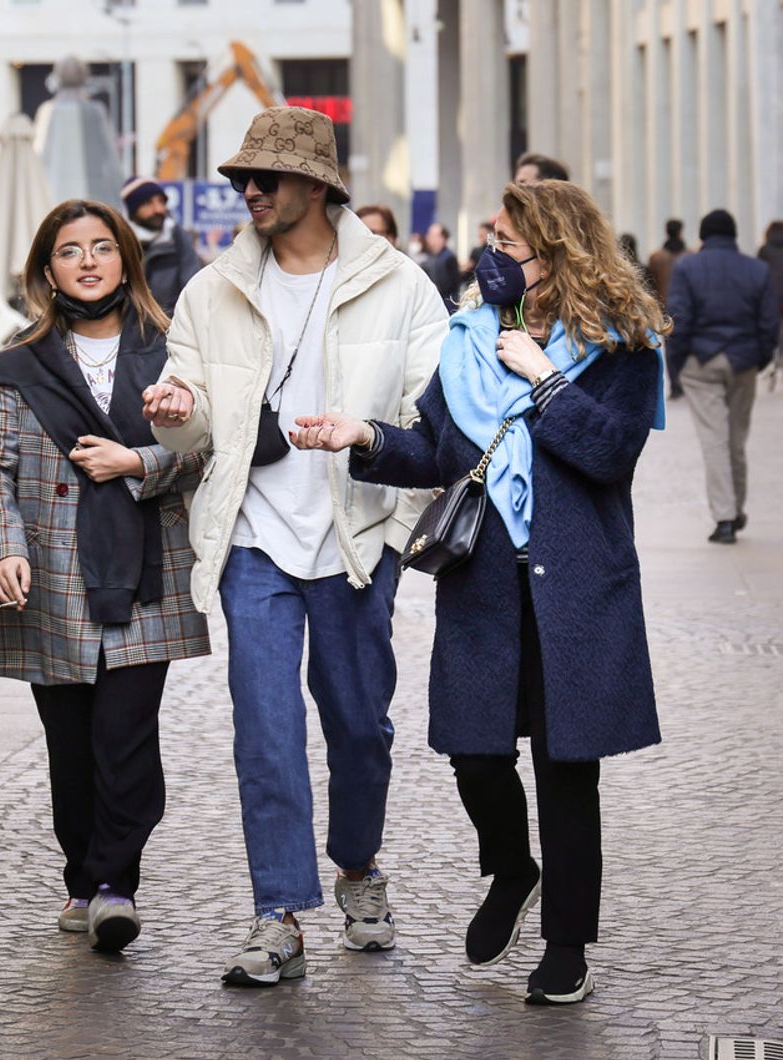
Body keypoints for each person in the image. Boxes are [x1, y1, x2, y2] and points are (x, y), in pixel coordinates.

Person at [291, 178, 666, 1005]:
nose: (488, 256)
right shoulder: (466, 337)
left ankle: (567, 942)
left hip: (577, 583)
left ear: (555, 252)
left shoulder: (624, 343)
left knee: (569, 770)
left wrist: (546, 379)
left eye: (506, 244)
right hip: (485, 581)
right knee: (475, 753)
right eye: (489, 239)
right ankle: (512, 865)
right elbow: (435, 450)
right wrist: (364, 437)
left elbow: (612, 456)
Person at [140, 105, 446, 986]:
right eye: (242, 179)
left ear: (317, 185)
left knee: (360, 726)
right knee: (264, 731)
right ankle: (276, 911)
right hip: (253, 539)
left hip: (355, 536)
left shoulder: (401, 286)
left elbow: (437, 417)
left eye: (263, 179)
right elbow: (189, 417)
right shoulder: (213, 289)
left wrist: (396, 521)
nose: (248, 192)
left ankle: (358, 866)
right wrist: (175, 412)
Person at [0, 198, 208, 954]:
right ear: (48, 269)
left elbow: (209, 448)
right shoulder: (20, 361)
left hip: (147, 573)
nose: (90, 261)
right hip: (51, 577)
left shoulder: (173, 350)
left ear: (126, 260)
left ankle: (114, 886)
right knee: (70, 747)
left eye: (104, 247)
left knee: (126, 738)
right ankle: (83, 876)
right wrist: (3, 548)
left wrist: (137, 461)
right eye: (71, 251)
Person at [665, 209, 779, 544]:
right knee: (736, 439)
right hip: (742, 361)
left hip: (701, 362)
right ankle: (736, 508)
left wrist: (675, 367)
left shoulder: (687, 267)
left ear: (703, 236)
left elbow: (678, 318)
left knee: (714, 440)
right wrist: (758, 360)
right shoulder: (756, 269)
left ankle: (725, 517)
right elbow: (769, 324)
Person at [120, 176, 200, 316]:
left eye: (161, 202)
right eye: (148, 203)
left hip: (170, 326)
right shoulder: (120, 241)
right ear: (133, 210)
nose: (158, 209)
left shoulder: (178, 238)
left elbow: (192, 289)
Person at [421, 221, 462, 309]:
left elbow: (451, 286)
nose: (428, 237)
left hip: (447, 306)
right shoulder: (430, 257)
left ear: (442, 238)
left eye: (432, 235)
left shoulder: (449, 258)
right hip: (434, 304)